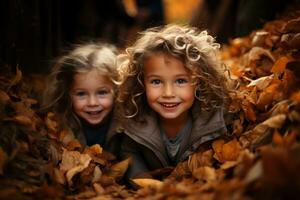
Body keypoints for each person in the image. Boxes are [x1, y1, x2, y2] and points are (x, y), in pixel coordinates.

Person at [117, 24, 229, 179]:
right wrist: (140, 177)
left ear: (200, 81)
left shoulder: (213, 121)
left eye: (181, 81)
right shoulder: (136, 120)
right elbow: (129, 151)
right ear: (141, 83)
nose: (168, 93)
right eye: (156, 82)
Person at [42, 43, 120, 151]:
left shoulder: (125, 123)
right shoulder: (61, 123)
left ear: (117, 91)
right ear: (67, 93)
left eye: (102, 93)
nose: (92, 103)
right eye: (81, 94)